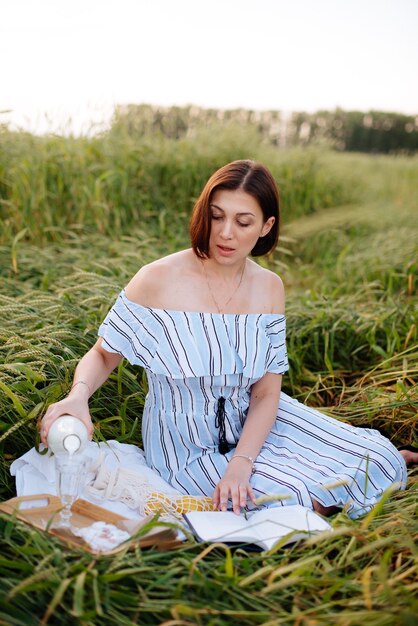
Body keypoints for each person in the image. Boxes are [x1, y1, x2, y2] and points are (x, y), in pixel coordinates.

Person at [40, 159, 417, 519]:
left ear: (266, 227)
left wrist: (242, 461)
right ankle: (329, 484)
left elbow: (267, 393)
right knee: (290, 502)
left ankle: (363, 468)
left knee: (380, 458)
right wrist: (77, 396)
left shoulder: (269, 287)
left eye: (243, 221)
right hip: (184, 442)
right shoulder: (157, 278)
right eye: (216, 216)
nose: (225, 233)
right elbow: (104, 354)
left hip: (255, 418)